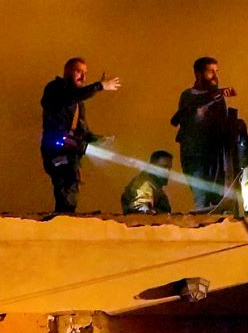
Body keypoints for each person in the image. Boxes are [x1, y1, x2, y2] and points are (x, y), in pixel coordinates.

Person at [39, 57, 120, 213]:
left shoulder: (78, 102)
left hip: (71, 152)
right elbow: (70, 96)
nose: (83, 77)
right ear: (67, 71)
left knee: (71, 184)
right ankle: (63, 218)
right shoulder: (54, 89)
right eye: (78, 71)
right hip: (55, 150)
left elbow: (82, 130)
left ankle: (66, 216)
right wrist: (100, 86)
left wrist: (98, 139)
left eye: (85, 73)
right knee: (66, 183)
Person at [170, 56, 244, 209]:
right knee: (201, 198)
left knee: (219, 200)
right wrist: (215, 95)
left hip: (216, 157)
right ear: (198, 73)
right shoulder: (188, 95)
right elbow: (192, 112)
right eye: (210, 71)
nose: (215, 76)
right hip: (195, 155)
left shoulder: (218, 98)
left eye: (216, 71)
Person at [121, 150, 175, 215]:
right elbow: (140, 206)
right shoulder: (144, 183)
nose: (167, 171)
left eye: (169, 168)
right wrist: (148, 211)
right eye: (164, 167)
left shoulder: (155, 185)